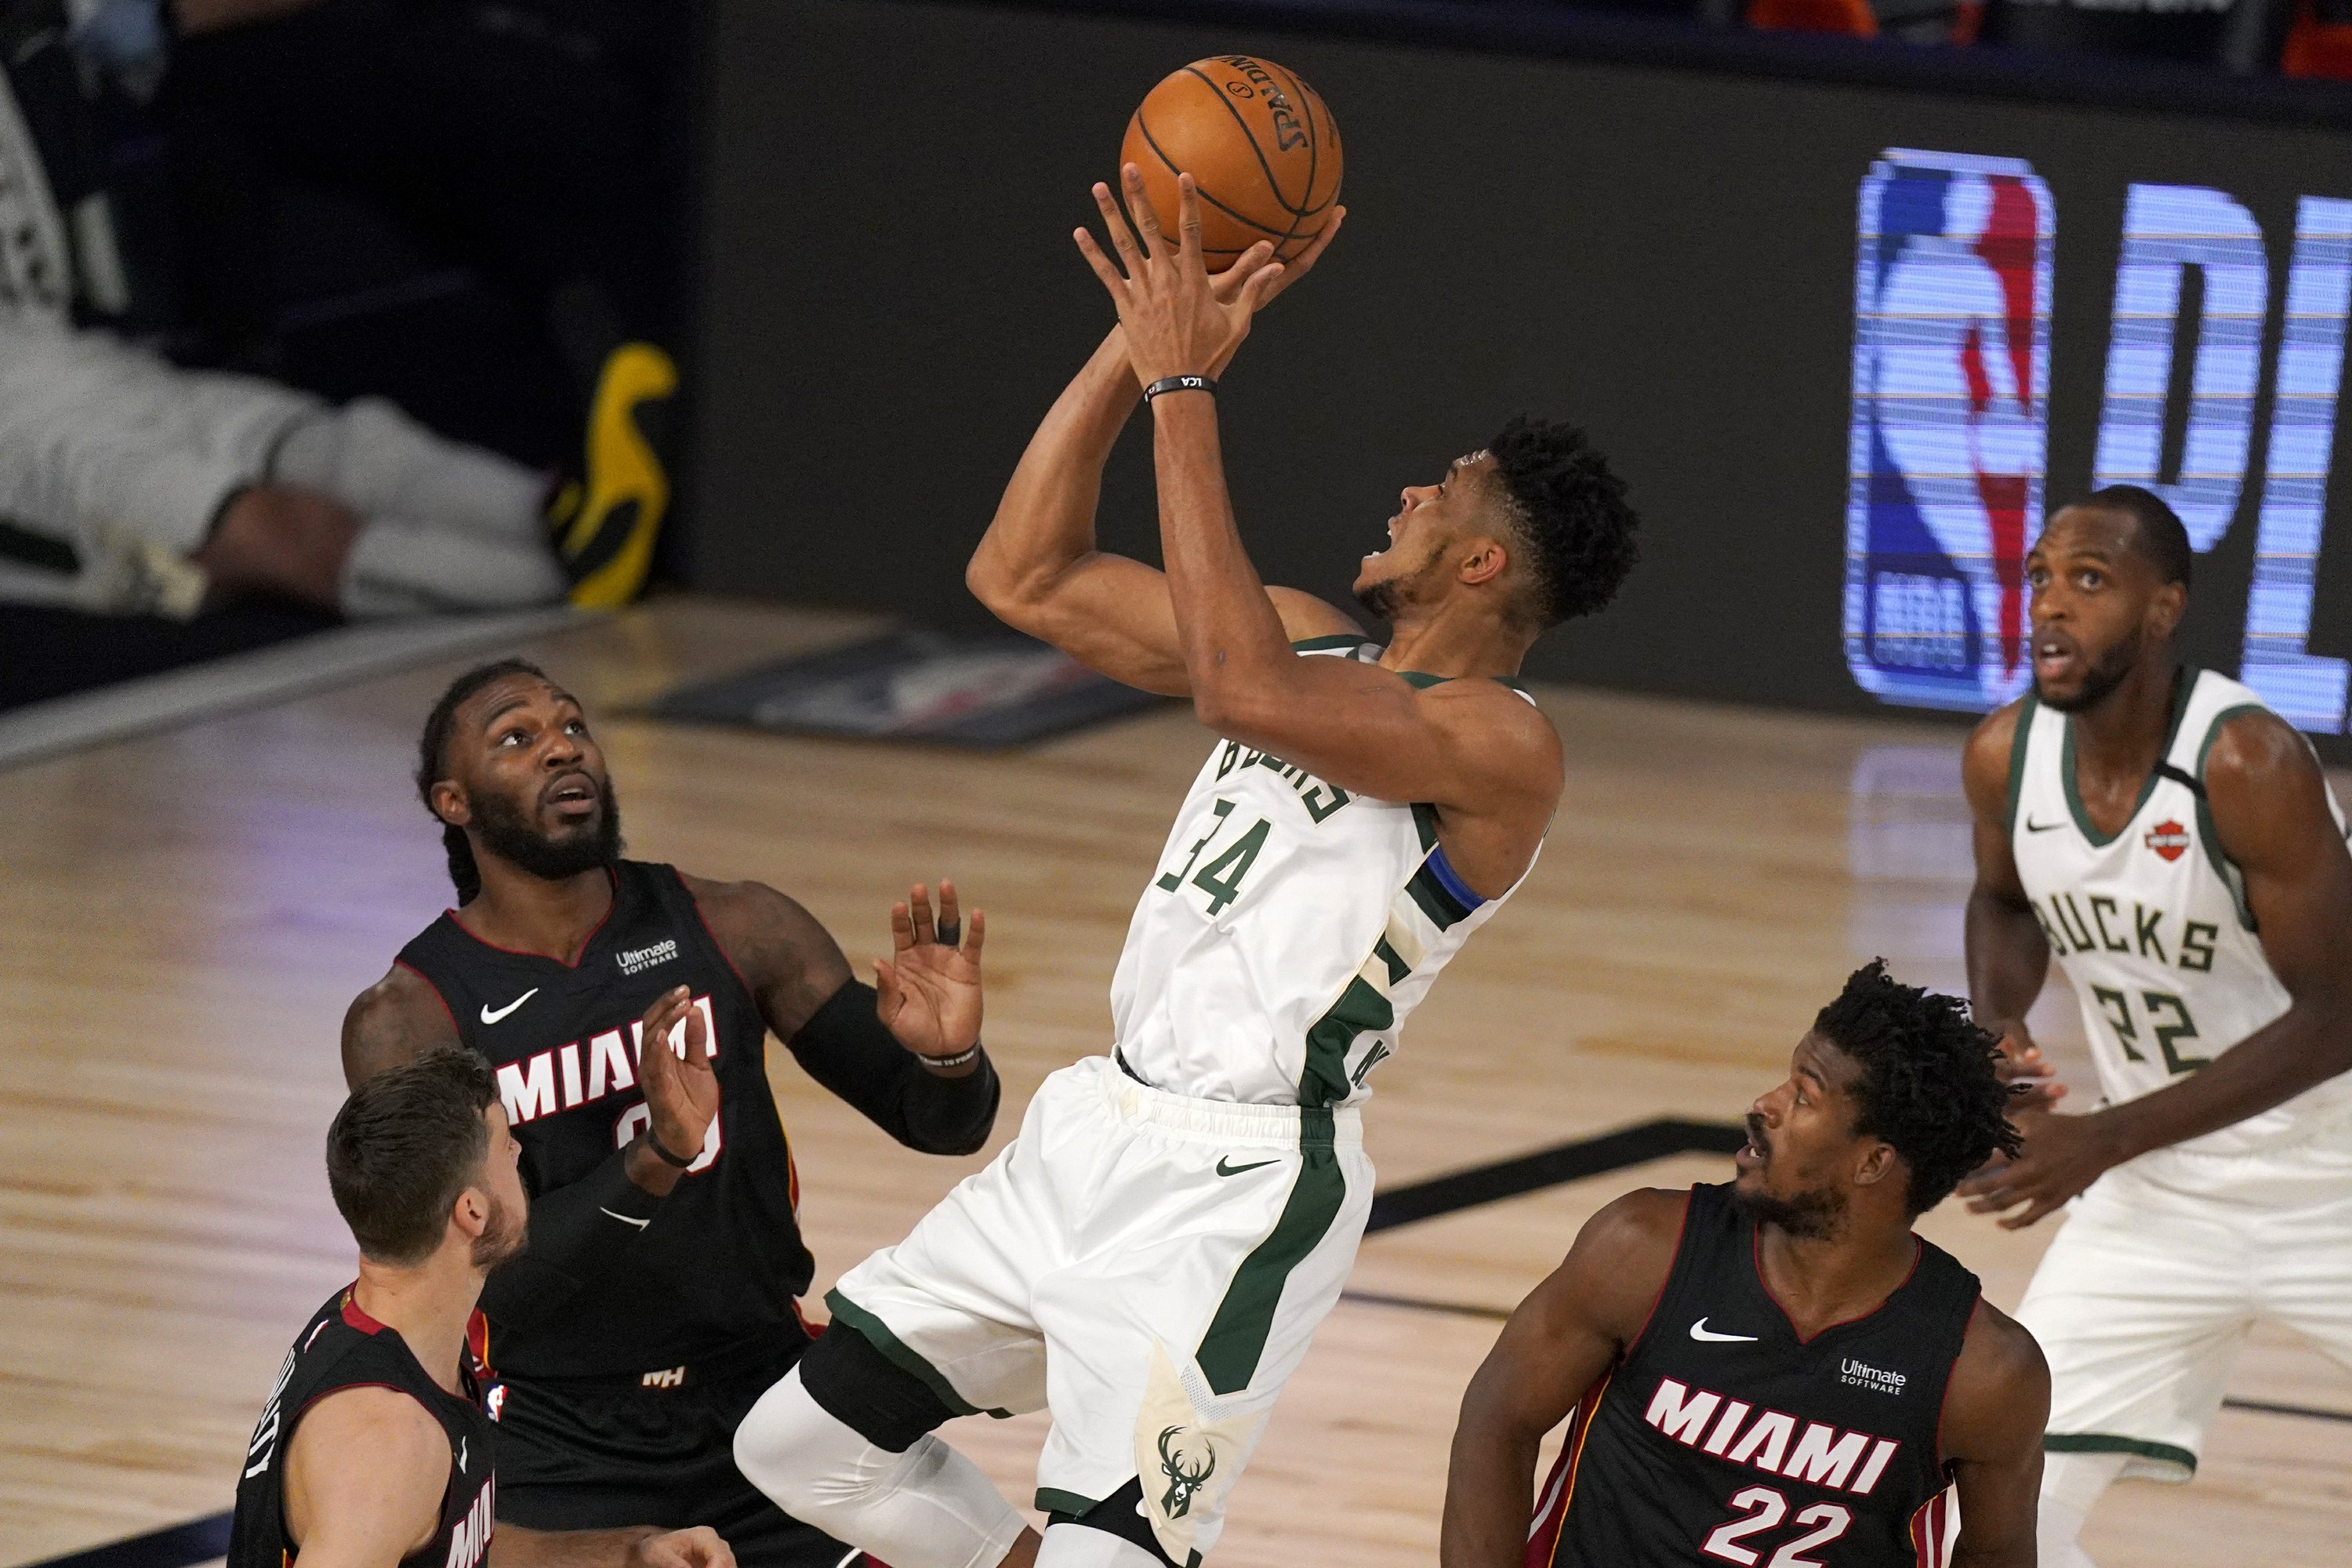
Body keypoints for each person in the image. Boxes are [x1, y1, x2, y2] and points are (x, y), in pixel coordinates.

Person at [729, 169, 1639, 1568]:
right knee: (795, 1446)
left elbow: (1236, 692)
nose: (1403, 490)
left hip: (1240, 1185)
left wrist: (1186, 390)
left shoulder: (1501, 745)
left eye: (1438, 490)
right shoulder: (1306, 640)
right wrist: (1138, 343)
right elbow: (1021, 573)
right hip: (1092, 1129)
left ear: (1476, 563)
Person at [339, 658, 1004, 1565]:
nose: (560, 748)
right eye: (517, 737)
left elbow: (944, 1123)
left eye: (572, 725)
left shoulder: (736, 925)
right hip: (559, 1440)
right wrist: (655, 1157)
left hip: (768, 1401)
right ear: (453, 801)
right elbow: (484, 1283)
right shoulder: (410, 1020)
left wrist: (948, 1053)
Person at [1955, 485, 2352, 1566]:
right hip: (2158, 1205)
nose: (2050, 606)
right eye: (2040, 576)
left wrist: (2099, 1139)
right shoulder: (2006, 756)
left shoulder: (2247, 764)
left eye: (2089, 581)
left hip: (2332, 1182)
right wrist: (2000, 1021)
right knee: (1984, 1517)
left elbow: (2339, 1014)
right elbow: (2003, 900)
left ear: (2164, 607)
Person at [1442, 961, 2048, 1568]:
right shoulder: (1641, 1251)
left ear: (1872, 1163)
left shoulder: (1984, 1374)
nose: (1766, 1103)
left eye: (1803, 1097)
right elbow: (1499, 1421)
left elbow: (1996, 1556)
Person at [228, 1043, 735, 1568]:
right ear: (471, 1210)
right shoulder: (387, 1443)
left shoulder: (385, 1326)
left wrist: (627, 1553)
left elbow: (449, 1546)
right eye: (506, 1147)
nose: (519, 1156)